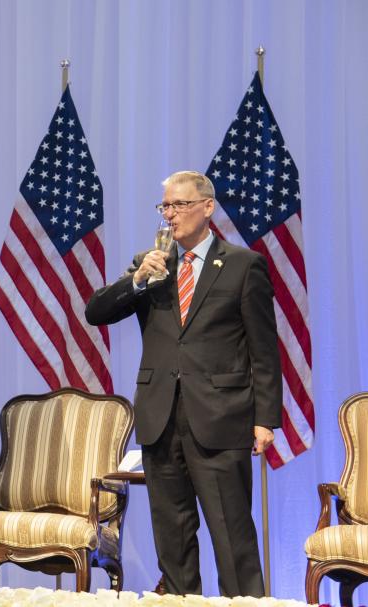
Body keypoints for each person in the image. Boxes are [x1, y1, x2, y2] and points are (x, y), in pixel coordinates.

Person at [85, 171, 280, 597]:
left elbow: (264, 350)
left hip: (221, 418)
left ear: (207, 207)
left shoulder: (244, 265)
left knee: (232, 538)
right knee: (171, 539)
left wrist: (265, 418)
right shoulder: (151, 264)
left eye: (180, 205)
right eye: (165, 207)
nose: (170, 215)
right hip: (160, 417)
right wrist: (136, 281)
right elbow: (96, 312)